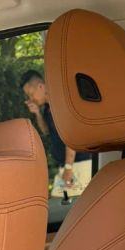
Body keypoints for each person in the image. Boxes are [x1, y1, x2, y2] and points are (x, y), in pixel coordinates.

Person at [21, 69, 93, 197]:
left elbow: (71, 135)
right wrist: (37, 113)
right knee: (59, 201)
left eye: (31, 94)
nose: (31, 99)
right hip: (67, 166)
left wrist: (68, 168)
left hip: (79, 164)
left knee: (62, 202)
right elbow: (46, 131)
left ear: (41, 86)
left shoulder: (61, 103)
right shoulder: (48, 108)